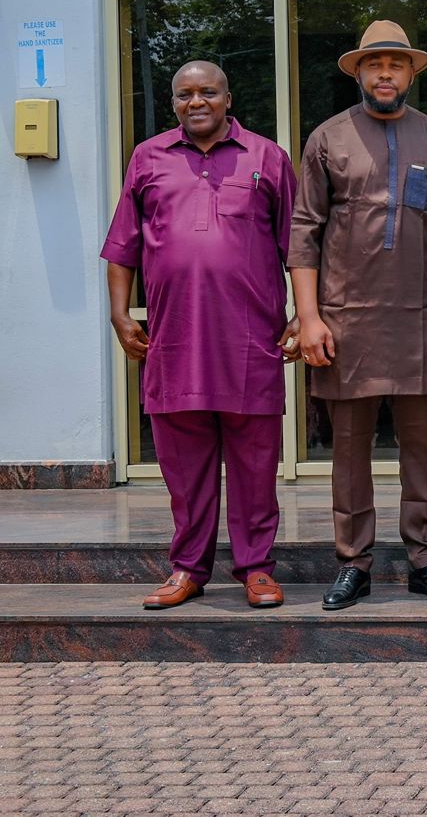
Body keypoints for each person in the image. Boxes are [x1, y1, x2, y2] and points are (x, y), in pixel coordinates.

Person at [103, 61, 299, 610]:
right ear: (173, 103)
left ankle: (256, 568)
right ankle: (188, 569)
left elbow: (300, 246)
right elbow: (122, 247)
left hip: (250, 341)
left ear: (227, 97)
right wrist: (119, 314)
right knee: (185, 472)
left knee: (255, 466)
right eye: (185, 94)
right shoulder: (148, 158)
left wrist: (304, 314)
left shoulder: (267, 158)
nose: (196, 102)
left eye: (207, 92)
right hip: (174, 342)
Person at [289, 20, 427, 611]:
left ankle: (425, 559)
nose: (385, 74)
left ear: (411, 73)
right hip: (345, 320)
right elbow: (304, 232)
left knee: (421, 447)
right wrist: (309, 318)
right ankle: (353, 563)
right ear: (359, 72)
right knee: (348, 450)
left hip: (418, 317)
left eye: (396, 64)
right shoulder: (328, 138)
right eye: (375, 64)